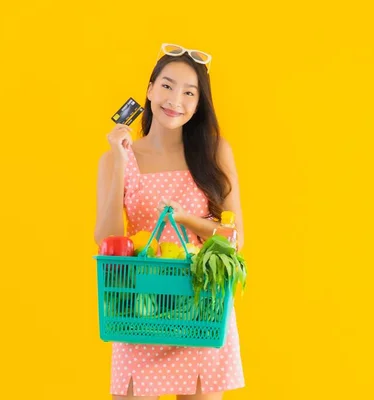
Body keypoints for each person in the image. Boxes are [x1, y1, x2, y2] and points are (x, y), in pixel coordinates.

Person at [94, 43, 245, 400]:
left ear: (199, 103)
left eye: (189, 92)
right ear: (149, 89)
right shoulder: (116, 159)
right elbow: (107, 240)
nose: (175, 99)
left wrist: (185, 218)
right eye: (167, 85)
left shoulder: (214, 152)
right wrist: (119, 161)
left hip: (199, 306)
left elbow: (235, 239)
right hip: (137, 307)